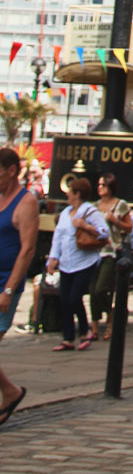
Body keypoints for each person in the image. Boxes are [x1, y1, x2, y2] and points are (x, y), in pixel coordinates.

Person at [46, 175, 109, 351]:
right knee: (64, 300)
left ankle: (84, 331)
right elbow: (58, 236)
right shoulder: (65, 213)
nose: (67, 195)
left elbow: (105, 233)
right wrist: (53, 258)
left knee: (75, 298)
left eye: (70, 192)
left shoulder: (90, 212)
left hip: (85, 261)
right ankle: (67, 338)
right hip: (67, 262)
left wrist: (85, 226)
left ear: (78, 194)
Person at [0, 145, 37, 423]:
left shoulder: (26, 202)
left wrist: (9, 291)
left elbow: (27, 250)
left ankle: (10, 392)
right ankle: (10, 392)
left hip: (5, 282)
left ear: (12, 171)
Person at [90, 172, 132, 341]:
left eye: (103, 185)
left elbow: (129, 227)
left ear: (111, 186)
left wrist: (115, 221)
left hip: (110, 251)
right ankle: (94, 328)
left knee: (101, 289)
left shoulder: (120, 205)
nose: (100, 188)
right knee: (93, 292)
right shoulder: (94, 206)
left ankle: (111, 317)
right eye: (99, 185)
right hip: (93, 252)